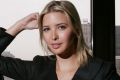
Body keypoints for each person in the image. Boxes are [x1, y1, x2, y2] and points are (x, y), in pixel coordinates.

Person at [0, 1, 120, 80]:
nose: (53, 36)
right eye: (46, 29)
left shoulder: (102, 72)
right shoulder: (37, 68)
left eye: (61, 27)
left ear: (77, 30)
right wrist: (19, 26)